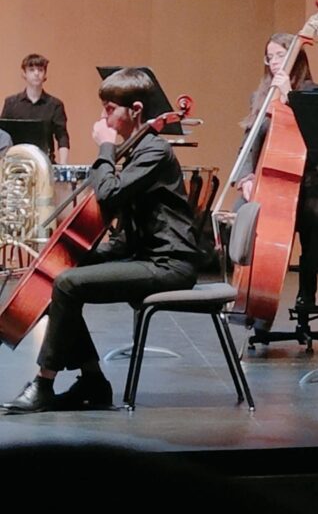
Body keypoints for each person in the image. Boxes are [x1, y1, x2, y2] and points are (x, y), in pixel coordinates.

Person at [2, 68, 202, 413]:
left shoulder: (155, 152)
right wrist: (70, 254)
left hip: (170, 265)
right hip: (144, 258)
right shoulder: (136, 152)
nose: (103, 118)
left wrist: (106, 146)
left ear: (135, 110)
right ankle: (92, 380)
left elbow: (108, 194)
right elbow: (125, 238)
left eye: (109, 109)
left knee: (67, 284)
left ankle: (44, 384)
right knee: (57, 273)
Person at [234, 33, 318, 311]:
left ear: (297, 57)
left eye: (281, 55)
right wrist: (245, 178)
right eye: (270, 57)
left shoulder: (313, 93)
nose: (275, 62)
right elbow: (248, 143)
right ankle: (252, 292)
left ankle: (308, 287)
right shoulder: (260, 96)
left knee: (314, 213)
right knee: (240, 212)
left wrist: (288, 96)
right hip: (273, 178)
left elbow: (317, 136)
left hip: (312, 177)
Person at [1, 53, 70, 163]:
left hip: (45, 162)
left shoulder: (55, 105)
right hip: (16, 163)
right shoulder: (11, 103)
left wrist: (63, 166)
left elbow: (62, 137)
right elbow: (2, 135)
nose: (36, 73)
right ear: (24, 74)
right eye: (31, 70)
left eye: (40, 70)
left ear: (45, 74)